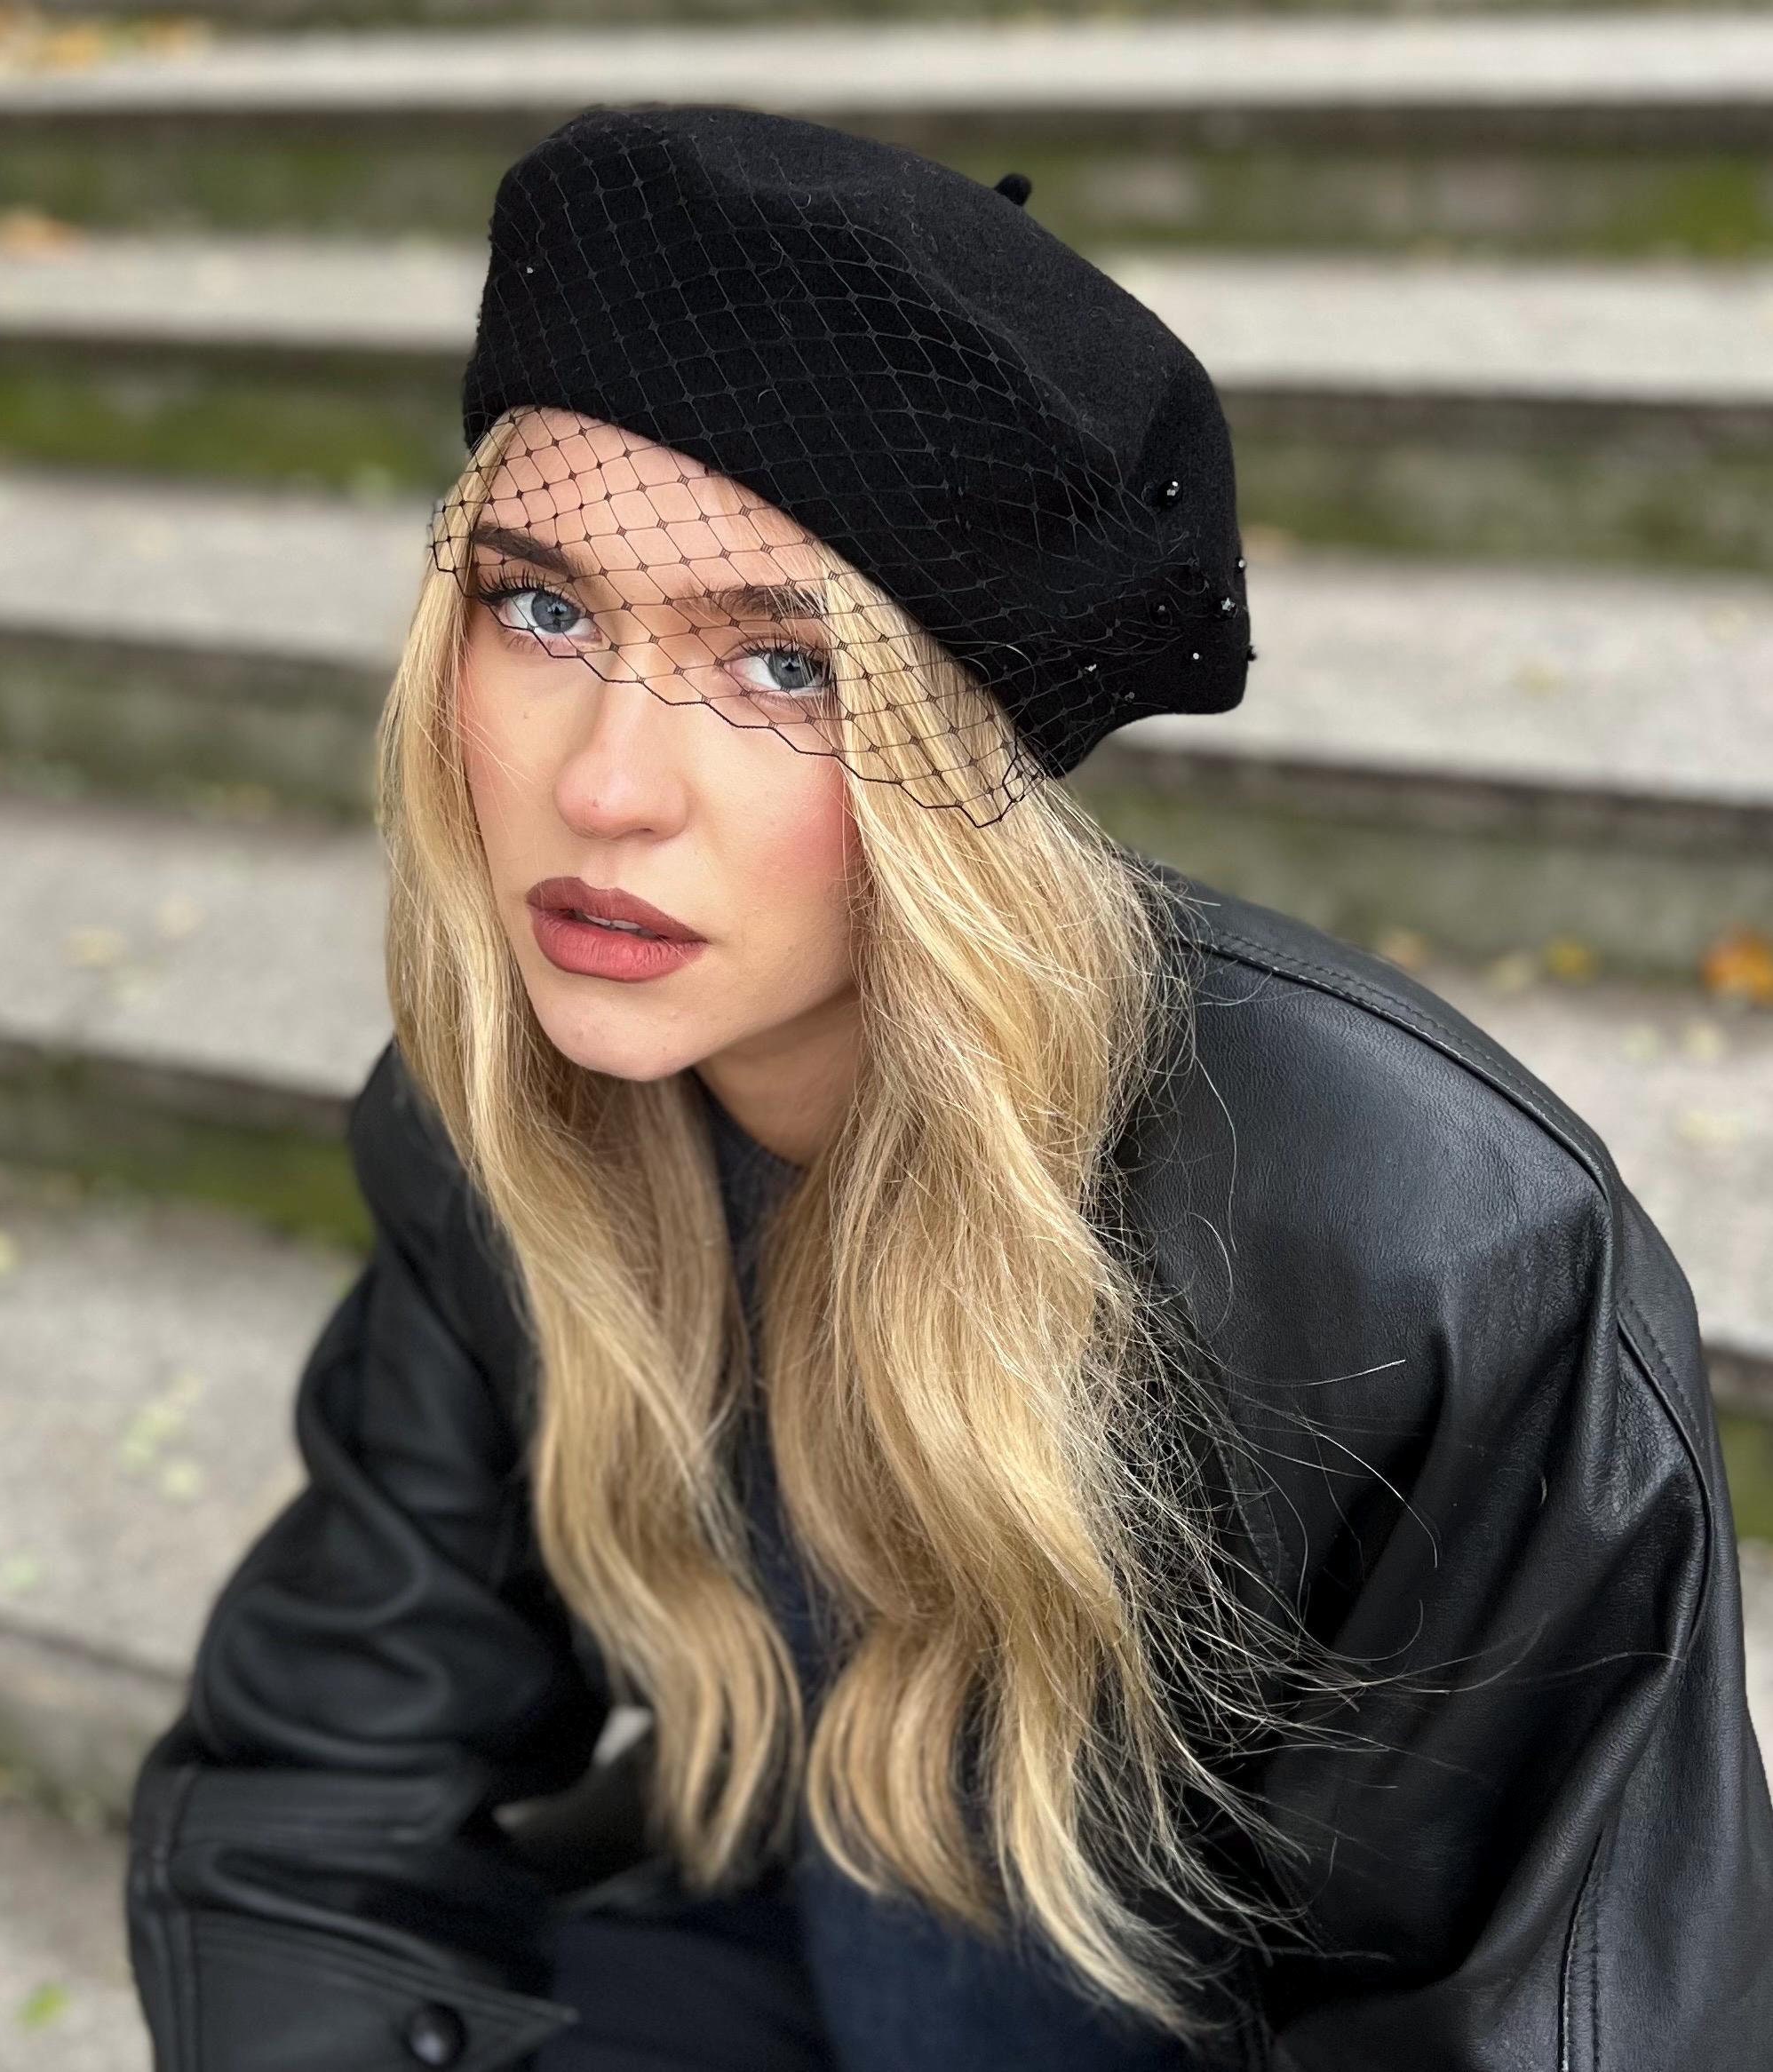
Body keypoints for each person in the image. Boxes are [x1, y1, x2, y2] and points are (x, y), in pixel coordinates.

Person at [123, 105, 1773, 2072]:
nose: (605, 787)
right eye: (540, 607)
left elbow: (1547, 2019)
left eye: (783, 669)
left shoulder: (1425, 1256)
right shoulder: (503, 1114)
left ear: (963, 763)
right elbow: (305, 1800)